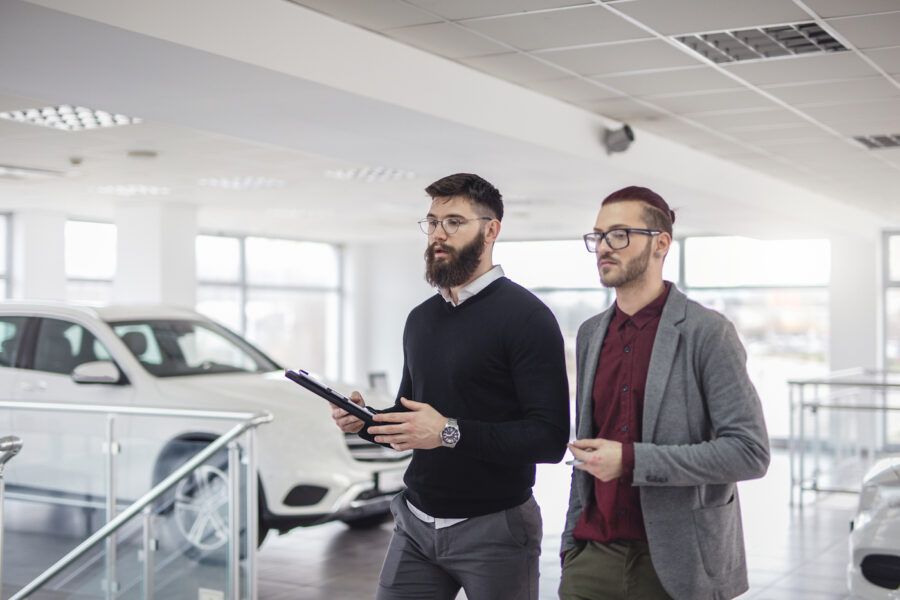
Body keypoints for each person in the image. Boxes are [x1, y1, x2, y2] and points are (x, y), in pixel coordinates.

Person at [331, 172, 570, 600]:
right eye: (433, 222)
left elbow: (549, 440)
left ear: (491, 229)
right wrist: (365, 423)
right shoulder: (421, 319)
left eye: (454, 222)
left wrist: (446, 431)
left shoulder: (528, 318)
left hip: (495, 528)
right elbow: (413, 420)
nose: (438, 235)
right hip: (415, 523)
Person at [559, 186, 770, 600]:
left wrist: (633, 461)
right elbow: (587, 450)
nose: (604, 246)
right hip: (592, 557)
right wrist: (571, 544)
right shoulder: (589, 334)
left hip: (678, 563)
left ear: (661, 243)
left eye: (619, 234)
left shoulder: (707, 332)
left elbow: (750, 452)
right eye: (598, 236)